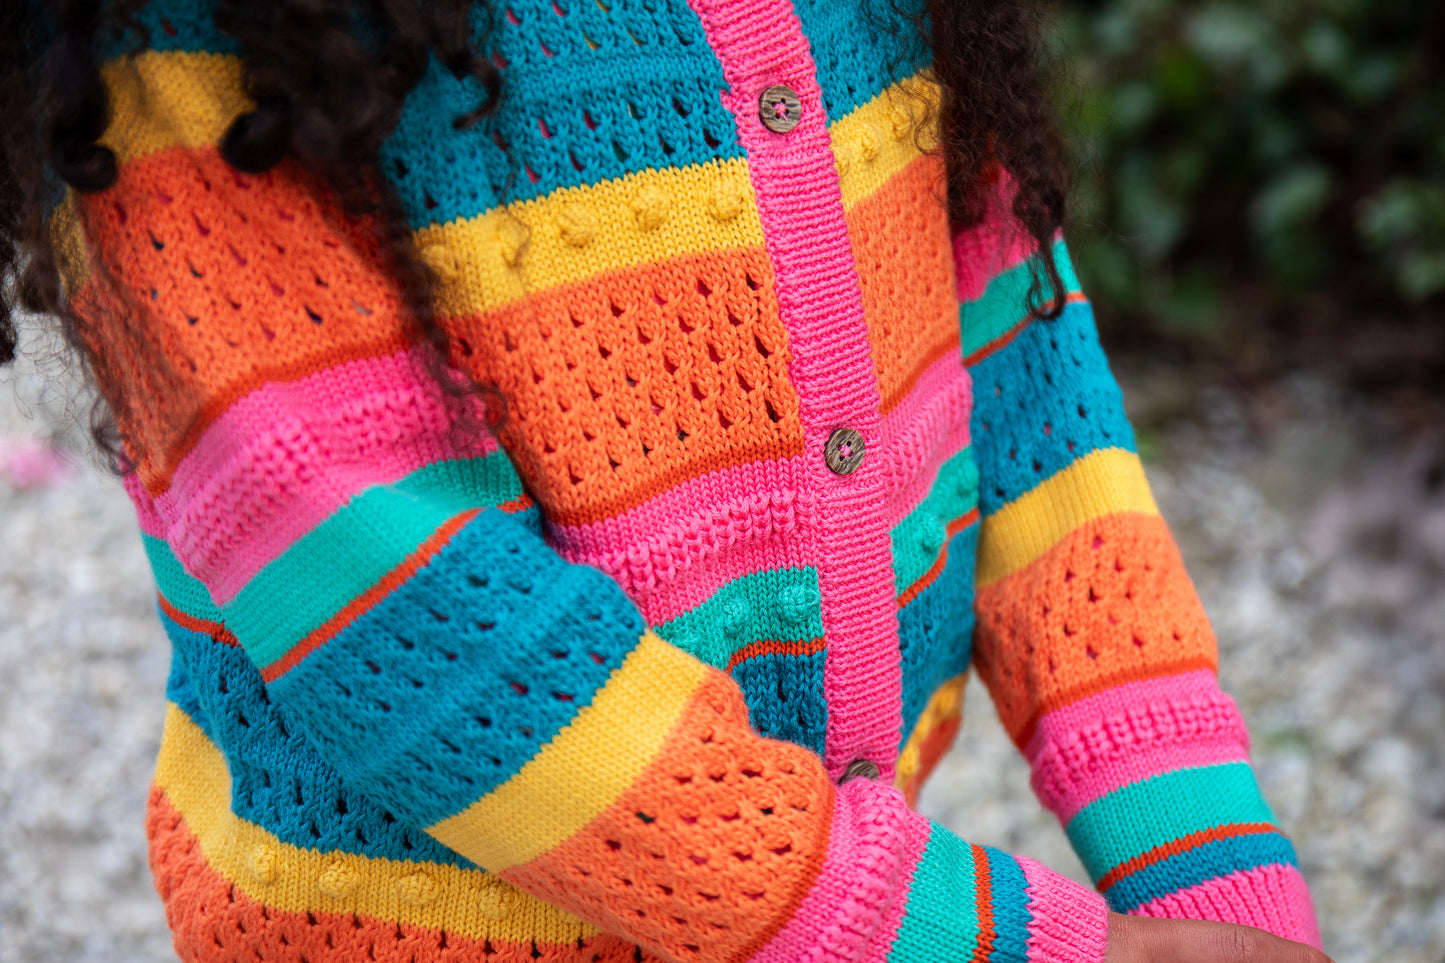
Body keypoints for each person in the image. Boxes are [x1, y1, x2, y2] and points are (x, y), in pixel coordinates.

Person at [0, 2, 1331, 962]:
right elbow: (419, 633)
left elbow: (1036, 413)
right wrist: (1004, 940)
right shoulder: (198, 47)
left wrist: (1215, 880)